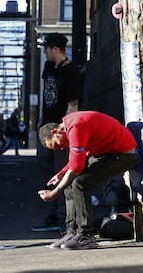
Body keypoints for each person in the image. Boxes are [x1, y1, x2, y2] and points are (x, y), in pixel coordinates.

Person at [37, 111, 138, 250]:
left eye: (56, 145)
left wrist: (55, 192)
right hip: (106, 153)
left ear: (55, 131)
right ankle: (71, 232)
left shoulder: (76, 126)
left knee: (80, 183)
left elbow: (77, 165)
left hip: (124, 153)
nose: (60, 148)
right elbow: (78, 158)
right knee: (68, 184)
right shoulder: (70, 125)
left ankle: (85, 235)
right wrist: (62, 174)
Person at [32, 32, 83, 232]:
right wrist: (39, 123)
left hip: (61, 131)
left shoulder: (71, 72)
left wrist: (66, 129)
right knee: (45, 169)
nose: (44, 51)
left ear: (55, 48)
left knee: (62, 172)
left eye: (46, 48)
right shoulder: (48, 67)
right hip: (46, 127)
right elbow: (46, 97)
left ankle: (64, 218)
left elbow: (73, 104)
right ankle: (52, 215)